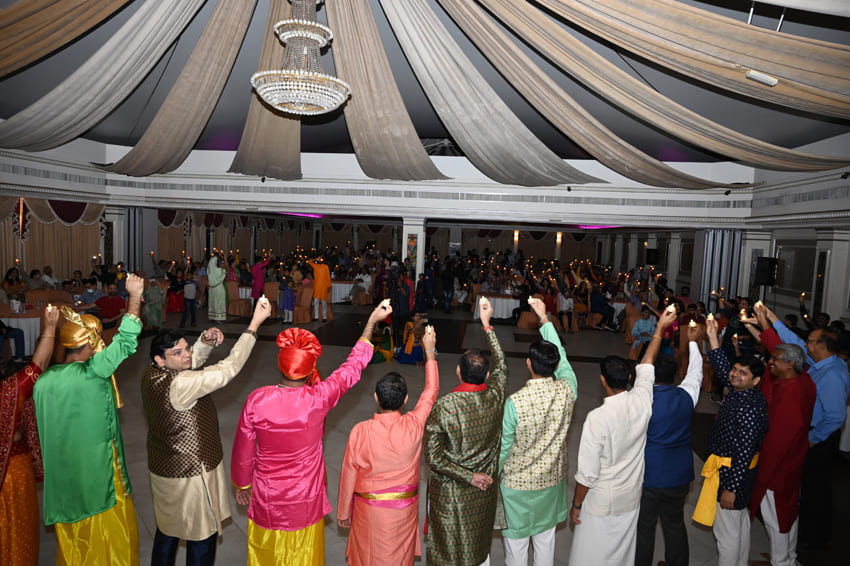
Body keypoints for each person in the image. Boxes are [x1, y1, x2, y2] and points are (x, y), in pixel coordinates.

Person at [231, 301, 391, 566]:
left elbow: (243, 450)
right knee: (303, 555)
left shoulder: (257, 400)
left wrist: (243, 484)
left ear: (281, 365)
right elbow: (353, 366)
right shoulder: (319, 398)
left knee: (267, 553)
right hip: (305, 497)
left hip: (268, 496)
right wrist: (371, 321)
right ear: (309, 370)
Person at [141, 297, 271, 566]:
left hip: (163, 468)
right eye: (177, 352)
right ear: (160, 359)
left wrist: (204, 342)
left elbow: (188, 364)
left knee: (168, 530)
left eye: (186, 348)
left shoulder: (150, 374)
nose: (186, 355)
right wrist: (253, 326)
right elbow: (228, 369)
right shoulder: (180, 384)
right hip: (191, 473)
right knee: (203, 534)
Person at [33, 273, 145, 565]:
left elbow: (38, 363)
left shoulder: (43, 382)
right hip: (99, 476)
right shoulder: (94, 372)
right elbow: (126, 340)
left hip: (65, 480)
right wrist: (134, 297)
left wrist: (49, 328)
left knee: (75, 542)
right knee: (109, 538)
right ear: (90, 345)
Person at [569, 309, 673, 566]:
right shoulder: (642, 402)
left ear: (602, 380)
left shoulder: (597, 418)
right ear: (629, 377)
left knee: (589, 556)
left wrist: (577, 503)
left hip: (600, 500)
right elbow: (647, 365)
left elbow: (588, 473)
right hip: (630, 496)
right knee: (621, 555)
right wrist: (660, 329)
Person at [337, 325, 440, 565]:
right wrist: (430, 351)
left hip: (368, 511)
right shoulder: (414, 425)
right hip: (403, 512)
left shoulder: (360, 431)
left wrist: (343, 512)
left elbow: (348, 473)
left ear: (376, 398)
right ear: (406, 400)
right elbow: (432, 390)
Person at [424, 297, 508, 566]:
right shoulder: (496, 396)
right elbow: (502, 365)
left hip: (450, 495)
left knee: (448, 553)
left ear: (458, 371)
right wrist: (487, 324)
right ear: (487, 376)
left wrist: (467, 476)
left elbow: (433, 458)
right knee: (477, 550)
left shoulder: (445, 407)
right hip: (483, 492)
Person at [498, 298, 577, 566]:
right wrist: (545, 319)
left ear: (529, 364)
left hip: (516, 488)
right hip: (551, 484)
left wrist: (490, 475)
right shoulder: (568, 390)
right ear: (555, 365)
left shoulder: (515, 402)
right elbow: (563, 360)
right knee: (545, 544)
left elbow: (503, 448)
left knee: (516, 549)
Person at [740, 303, 816, 566]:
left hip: (778, 466)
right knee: (787, 512)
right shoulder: (802, 378)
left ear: (790, 364)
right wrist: (764, 324)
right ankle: (787, 558)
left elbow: (780, 437)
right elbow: (778, 349)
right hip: (792, 461)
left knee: (776, 517)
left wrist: (763, 469)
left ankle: (781, 561)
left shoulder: (791, 392)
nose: (770, 362)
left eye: (775, 360)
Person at [768, 309, 850, 551]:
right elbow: (794, 341)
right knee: (810, 485)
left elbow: (835, 416)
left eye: (811, 341)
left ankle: (814, 538)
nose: (806, 344)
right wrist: (772, 320)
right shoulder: (822, 363)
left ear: (823, 346)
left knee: (816, 488)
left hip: (820, 437)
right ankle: (810, 533)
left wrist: (813, 438)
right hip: (814, 433)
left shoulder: (833, 374)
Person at [695, 315, 769, 566]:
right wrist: (712, 337)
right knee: (739, 525)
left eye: (742, 373)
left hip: (732, 472)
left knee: (726, 533)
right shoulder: (744, 393)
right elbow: (721, 368)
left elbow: (745, 450)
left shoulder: (749, 408)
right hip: (734, 470)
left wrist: (731, 488)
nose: (735, 375)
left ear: (755, 380)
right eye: (735, 370)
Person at [635, 319, 704, 566]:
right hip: (679, 475)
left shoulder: (640, 399)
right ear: (675, 374)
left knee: (644, 527)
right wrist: (693, 342)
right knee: (675, 524)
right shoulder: (686, 396)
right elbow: (696, 372)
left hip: (648, 474)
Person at [0, 304, 59, 566]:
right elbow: (38, 366)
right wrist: (50, 327)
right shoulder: (6, 394)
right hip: (11, 474)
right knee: (16, 533)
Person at [307, 255, 331, 321]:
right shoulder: (315, 266)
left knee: (324, 302)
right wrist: (315, 259)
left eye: (321, 258)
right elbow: (309, 262)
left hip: (324, 286)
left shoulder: (326, 267)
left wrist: (329, 286)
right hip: (317, 286)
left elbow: (328, 277)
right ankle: (316, 317)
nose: (320, 259)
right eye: (319, 258)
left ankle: (324, 317)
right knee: (316, 302)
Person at [206, 252, 227, 323]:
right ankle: (218, 318)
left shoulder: (209, 270)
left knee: (212, 302)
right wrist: (224, 257)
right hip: (219, 287)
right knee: (219, 302)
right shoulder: (220, 270)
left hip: (212, 288)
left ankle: (213, 316)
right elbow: (225, 265)